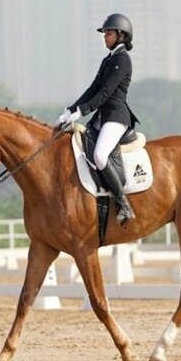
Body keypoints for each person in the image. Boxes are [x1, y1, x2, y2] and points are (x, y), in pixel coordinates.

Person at [56, 13, 139, 224]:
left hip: (116, 117)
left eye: (108, 34)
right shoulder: (108, 60)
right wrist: (70, 109)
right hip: (102, 118)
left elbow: (106, 93)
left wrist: (81, 112)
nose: (105, 37)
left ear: (121, 35)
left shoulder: (123, 60)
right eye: (105, 34)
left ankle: (124, 204)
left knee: (101, 156)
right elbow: (93, 89)